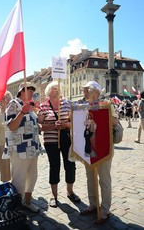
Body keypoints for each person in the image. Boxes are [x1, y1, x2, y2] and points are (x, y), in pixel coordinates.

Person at [79, 81, 118, 225]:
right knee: (91, 178)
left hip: (104, 147)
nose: (84, 93)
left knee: (104, 180)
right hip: (89, 147)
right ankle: (93, 204)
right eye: (84, 90)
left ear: (95, 92)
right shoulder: (82, 107)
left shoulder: (107, 104)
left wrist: (103, 110)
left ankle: (105, 210)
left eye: (86, 90)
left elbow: (114, 121)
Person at [38, 81, 80, 208]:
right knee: (54, 166)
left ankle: (70, 191)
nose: (57, 90)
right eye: (54, 88)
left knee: (70, 165)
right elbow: (39, 126)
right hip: (51, 142)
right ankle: (53, 195)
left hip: (67, 140)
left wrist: (65, 125)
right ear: (49, 91)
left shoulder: (67, 104)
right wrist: (52, 126)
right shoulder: (43, 106)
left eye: (58, 88)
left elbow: (74, 122)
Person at [3, 82, 42, 213]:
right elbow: (12, 126)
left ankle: (27, 202)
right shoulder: (13, 104)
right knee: (19, 180)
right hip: (20, 149)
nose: (31, 92)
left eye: (32, 90)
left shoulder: (30, 107)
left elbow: (31, 126)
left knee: (32, 177)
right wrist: (21, 112)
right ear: (21, 92)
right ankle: (16, 208)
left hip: (32, 148)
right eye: (29, 90)